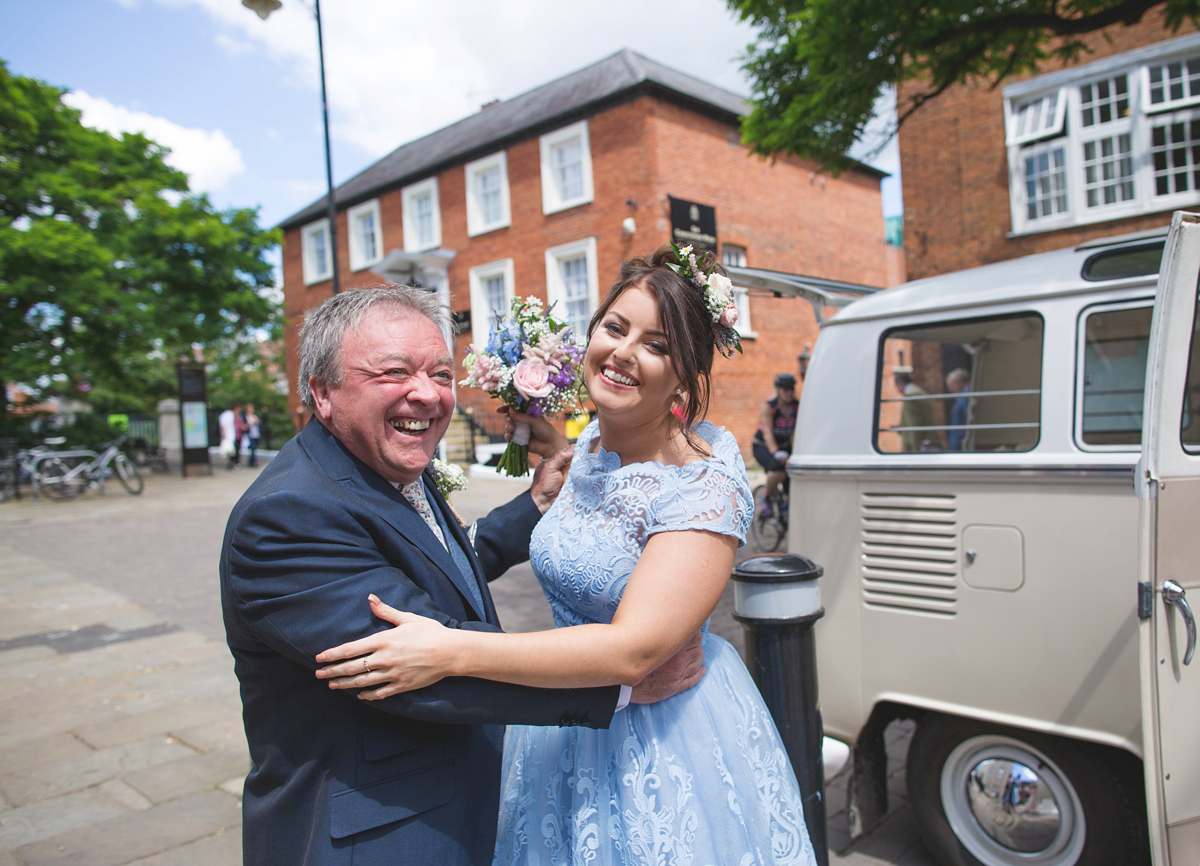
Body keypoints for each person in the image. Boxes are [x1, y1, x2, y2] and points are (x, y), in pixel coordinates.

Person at [316, 247, 817, 865]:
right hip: (561, 726)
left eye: (656, 345)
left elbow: (634, 650)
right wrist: (548, 468)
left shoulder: (702, 481)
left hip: (661, 736)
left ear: (685, 376)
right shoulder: (589, 451)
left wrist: (452, 651)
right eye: (615, 327)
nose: (624, 352)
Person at [219, 286, 702, 866]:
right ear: (322, 393)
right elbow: (415, 664)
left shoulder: (376, 457)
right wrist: (616, 684)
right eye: (393, 372)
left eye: (441, 374)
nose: (425, 394)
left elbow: (434, 563)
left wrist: (535, 508)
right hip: (378, 833)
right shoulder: (288, 515)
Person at [752, 372, 798, 513]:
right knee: (777, 472)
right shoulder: (769, 407)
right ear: (778, 390)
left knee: (793, 473)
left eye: (791, 389)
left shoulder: (796, 406)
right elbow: (767, 431)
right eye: (785, 389)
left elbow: (796, 432)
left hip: (784, 445)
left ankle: (786, 503)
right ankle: (766, 498)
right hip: (764, 446)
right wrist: (775, 452)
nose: (789, 393)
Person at [893, 365, 936, 452]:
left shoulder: (911, 396)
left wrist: (914, 447)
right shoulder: (918, 392)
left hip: (915, 442)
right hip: (922, 437)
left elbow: (913, 421)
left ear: (900, 383)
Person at [945, 367, 970, 451]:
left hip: (959, 442)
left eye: (952, 385)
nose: (950, 389)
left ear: (959, 381)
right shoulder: (963, 396)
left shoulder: (965, 396)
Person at [217, 401, 240, 469]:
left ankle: (232, 464)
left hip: (231, 436)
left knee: (232, 451)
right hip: (229, 436)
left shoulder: (229, 414)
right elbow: (223, 424)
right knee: (231, 451)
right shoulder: (229, 414)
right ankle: (232, 464)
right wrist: (224, 433)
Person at [243, 403, 262, 467]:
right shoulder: (245, 417)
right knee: (252, 448)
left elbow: (258, 422)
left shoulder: (254, 416)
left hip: (255, 434)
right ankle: (253, 461)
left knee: (254, 449)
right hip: (249, 435)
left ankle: (251, 461)